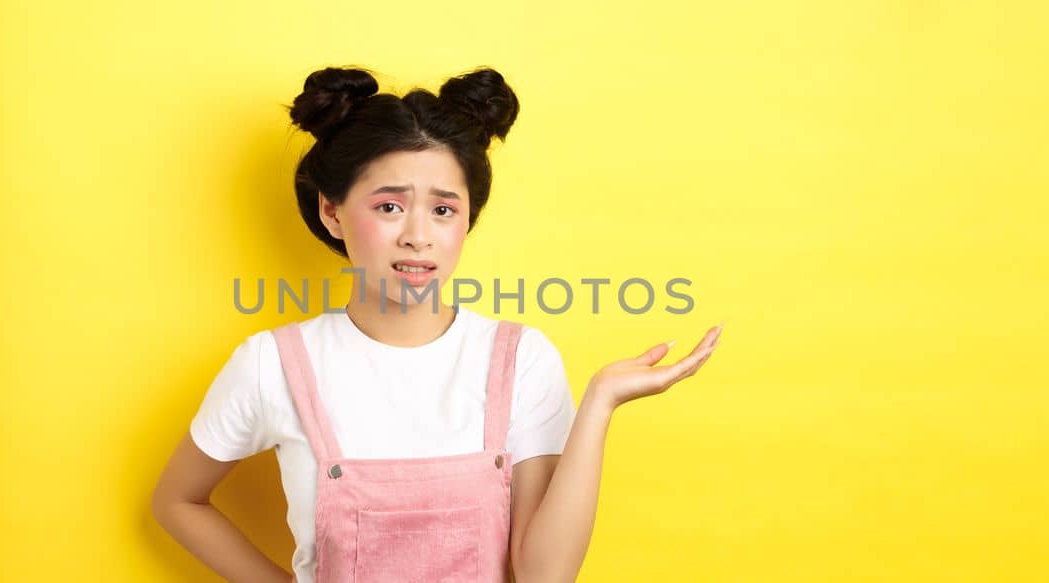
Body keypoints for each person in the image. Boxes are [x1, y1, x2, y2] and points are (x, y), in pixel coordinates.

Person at [151, 65, 721, 583]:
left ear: (467, 217)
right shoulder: (272, 363)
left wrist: (600, 402)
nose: (418, 235)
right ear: (333, 211)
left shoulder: (521, 359)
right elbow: (178, 500)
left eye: (443, 209)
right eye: (390, 206)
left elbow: (545, 576)